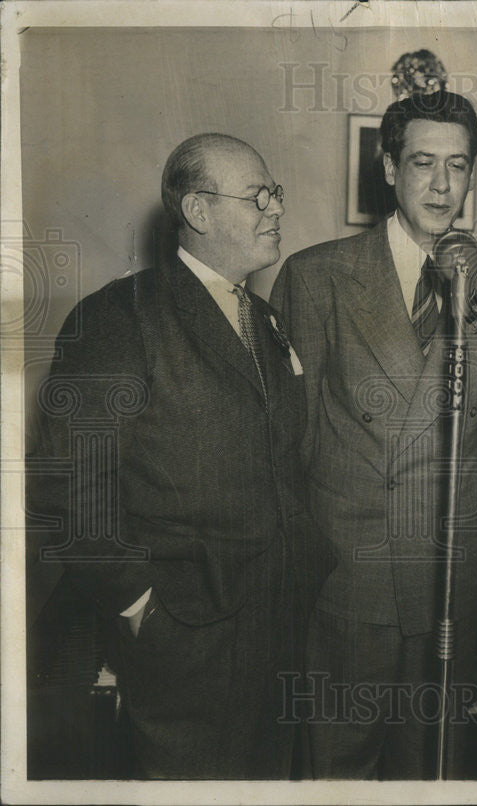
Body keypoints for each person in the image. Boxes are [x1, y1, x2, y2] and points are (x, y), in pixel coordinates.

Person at [29, 133, 334, 778]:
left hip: (278, 634)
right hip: (186, 644)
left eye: (274, 195)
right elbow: (68, 490)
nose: (277, 209)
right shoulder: (120, 317)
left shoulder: (265, 319)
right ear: (198, 211)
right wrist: (141, 609)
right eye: (259, 197)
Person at [271, 90, 477, 779]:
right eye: (422, 163)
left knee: (434, 763)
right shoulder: (316, 274)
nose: (442, 185)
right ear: (388, 168)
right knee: (339, 760)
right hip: (351, 562)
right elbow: (289, 435)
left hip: (450, 560)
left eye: (458, 164)